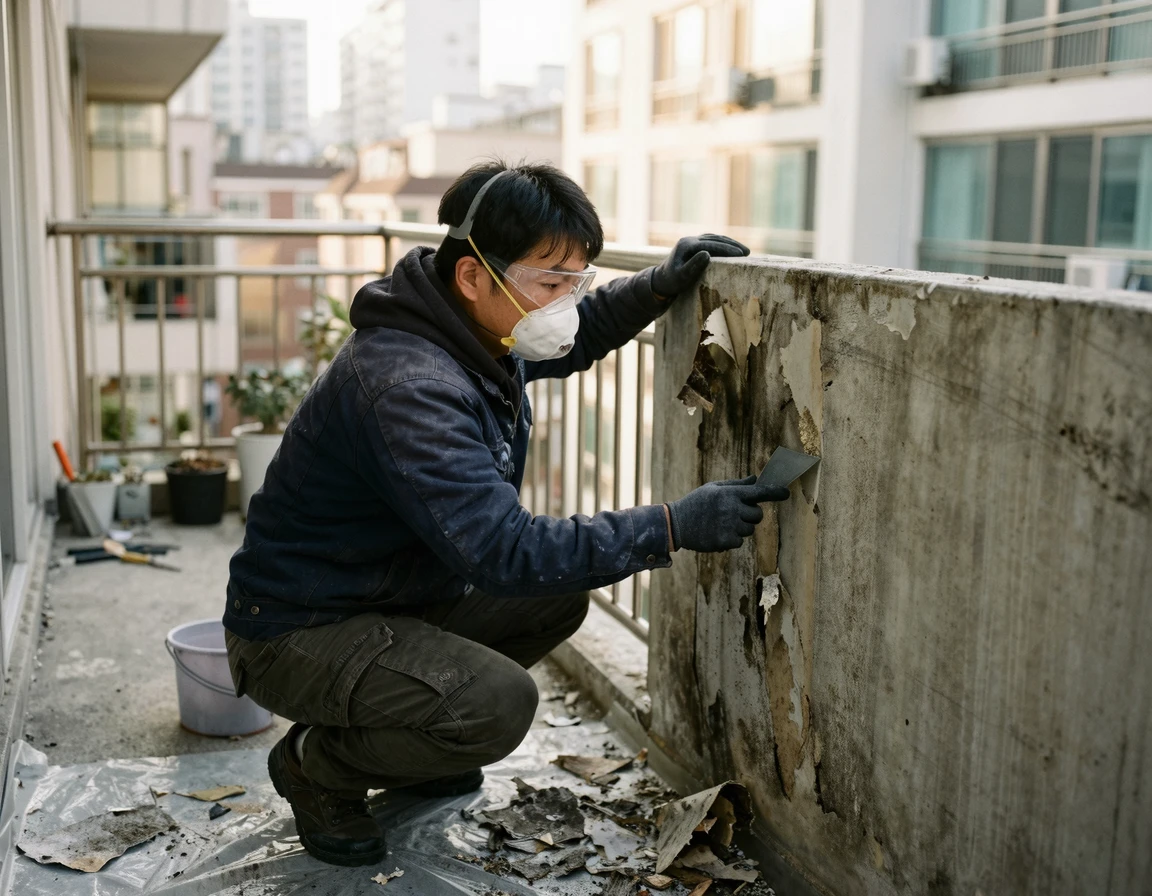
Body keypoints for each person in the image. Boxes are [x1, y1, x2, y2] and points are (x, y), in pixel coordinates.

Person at [222, 161, 788, 867]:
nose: (565, 303)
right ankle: (316, 766)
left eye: (576, 281)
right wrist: (672, 526)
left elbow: (578, 334)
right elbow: (503, 552)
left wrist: (656, 284)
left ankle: (409, 744)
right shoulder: (409, 384)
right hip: (298, 629)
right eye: (551, 283)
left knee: (557, 598)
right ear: (473, 275)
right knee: (496, 704)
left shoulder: (471, 329)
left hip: (384, 596)